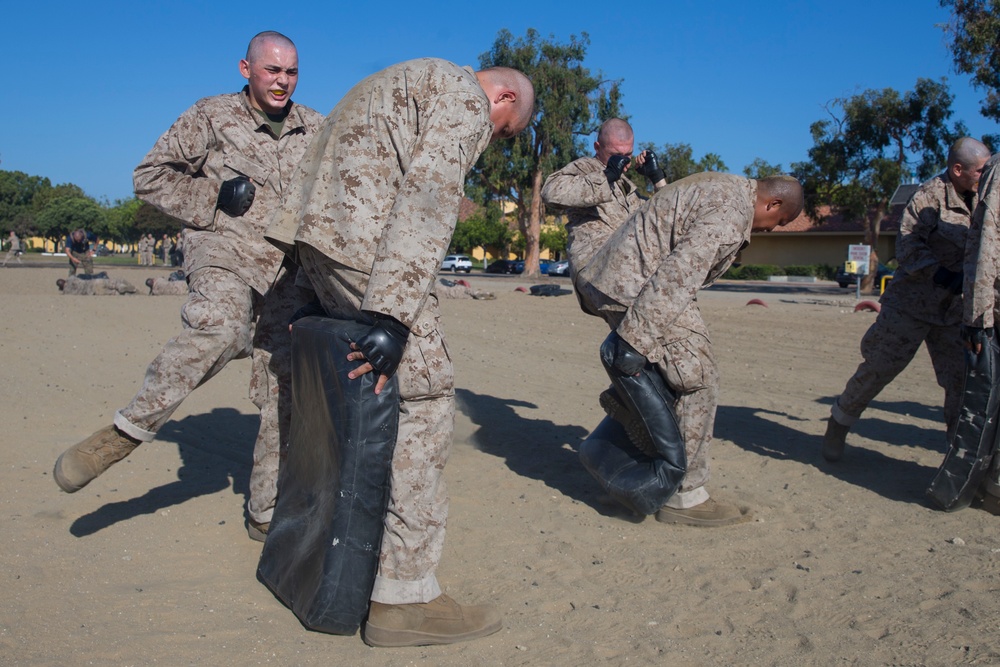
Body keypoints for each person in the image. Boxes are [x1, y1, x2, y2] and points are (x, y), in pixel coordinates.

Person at [266, 57, 534, 647]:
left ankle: (336, 556)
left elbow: (321, 161)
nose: (491, 142)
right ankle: (405, 599)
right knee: (429, 395)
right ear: (505, 100)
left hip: (319, 242)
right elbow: (431, 191)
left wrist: (306, 286)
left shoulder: (398, 79)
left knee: (366, 391)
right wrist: (392, 312)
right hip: (370, 249)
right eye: (503, 133)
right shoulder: (464, 97)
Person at [52, 31, 324, 543]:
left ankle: (265, 510)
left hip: (288, 270)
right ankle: (121, 435)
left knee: (286, 386)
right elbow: (149, 175)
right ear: (247, 68)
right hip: (222, 250)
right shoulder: (211, 115)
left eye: (291, 72)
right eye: (272, 70)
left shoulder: (316, 126)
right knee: (220, 328)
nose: (283, 81)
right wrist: (214, 193)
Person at [566, 172, 803, 526]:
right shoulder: (731, 210)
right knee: (698, 376)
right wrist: (636, 338)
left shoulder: (724, 186)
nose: (771, 229)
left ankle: (623, 462)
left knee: (669, 372)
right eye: (778, 221)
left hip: (617, 277)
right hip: (636, 284)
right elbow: (680, 272)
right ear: (773, 203)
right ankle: (685, 497)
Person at [822, 137, 991, 462]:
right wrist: (945, 275)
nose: (986, 177)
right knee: (879, 368)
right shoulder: (929, 196)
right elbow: (909, 248)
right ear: (958, 169)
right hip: (911, 306)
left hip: (954, 313)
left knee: (960, 384)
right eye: (981, 171)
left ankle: (958, 457)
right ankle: (838, 424)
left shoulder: (984, 201)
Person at [541, 117, 668, 292]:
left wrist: (657, 179)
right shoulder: (585, 168)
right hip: (596, 271)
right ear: (597, 147)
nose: (624, 163)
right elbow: (550, 191)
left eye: (628, 155)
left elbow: (663, 219)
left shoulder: (626, 186)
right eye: (616, 155)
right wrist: (606, 176)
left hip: (628, 271)